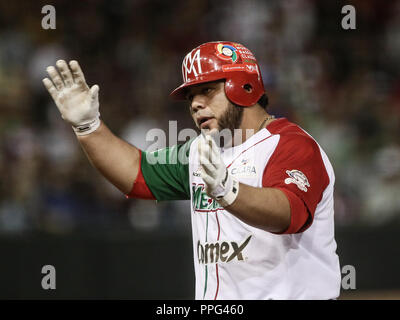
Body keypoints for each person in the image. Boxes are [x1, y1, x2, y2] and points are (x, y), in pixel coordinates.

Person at [42, 41, 341, 300]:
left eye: (207, 90)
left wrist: (229, 191)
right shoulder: (201, 150)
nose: (196, 104)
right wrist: (88, 126)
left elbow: (290, 214)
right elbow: (137, 174)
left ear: (245, 87)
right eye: (191, 97)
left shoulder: (290, 144)